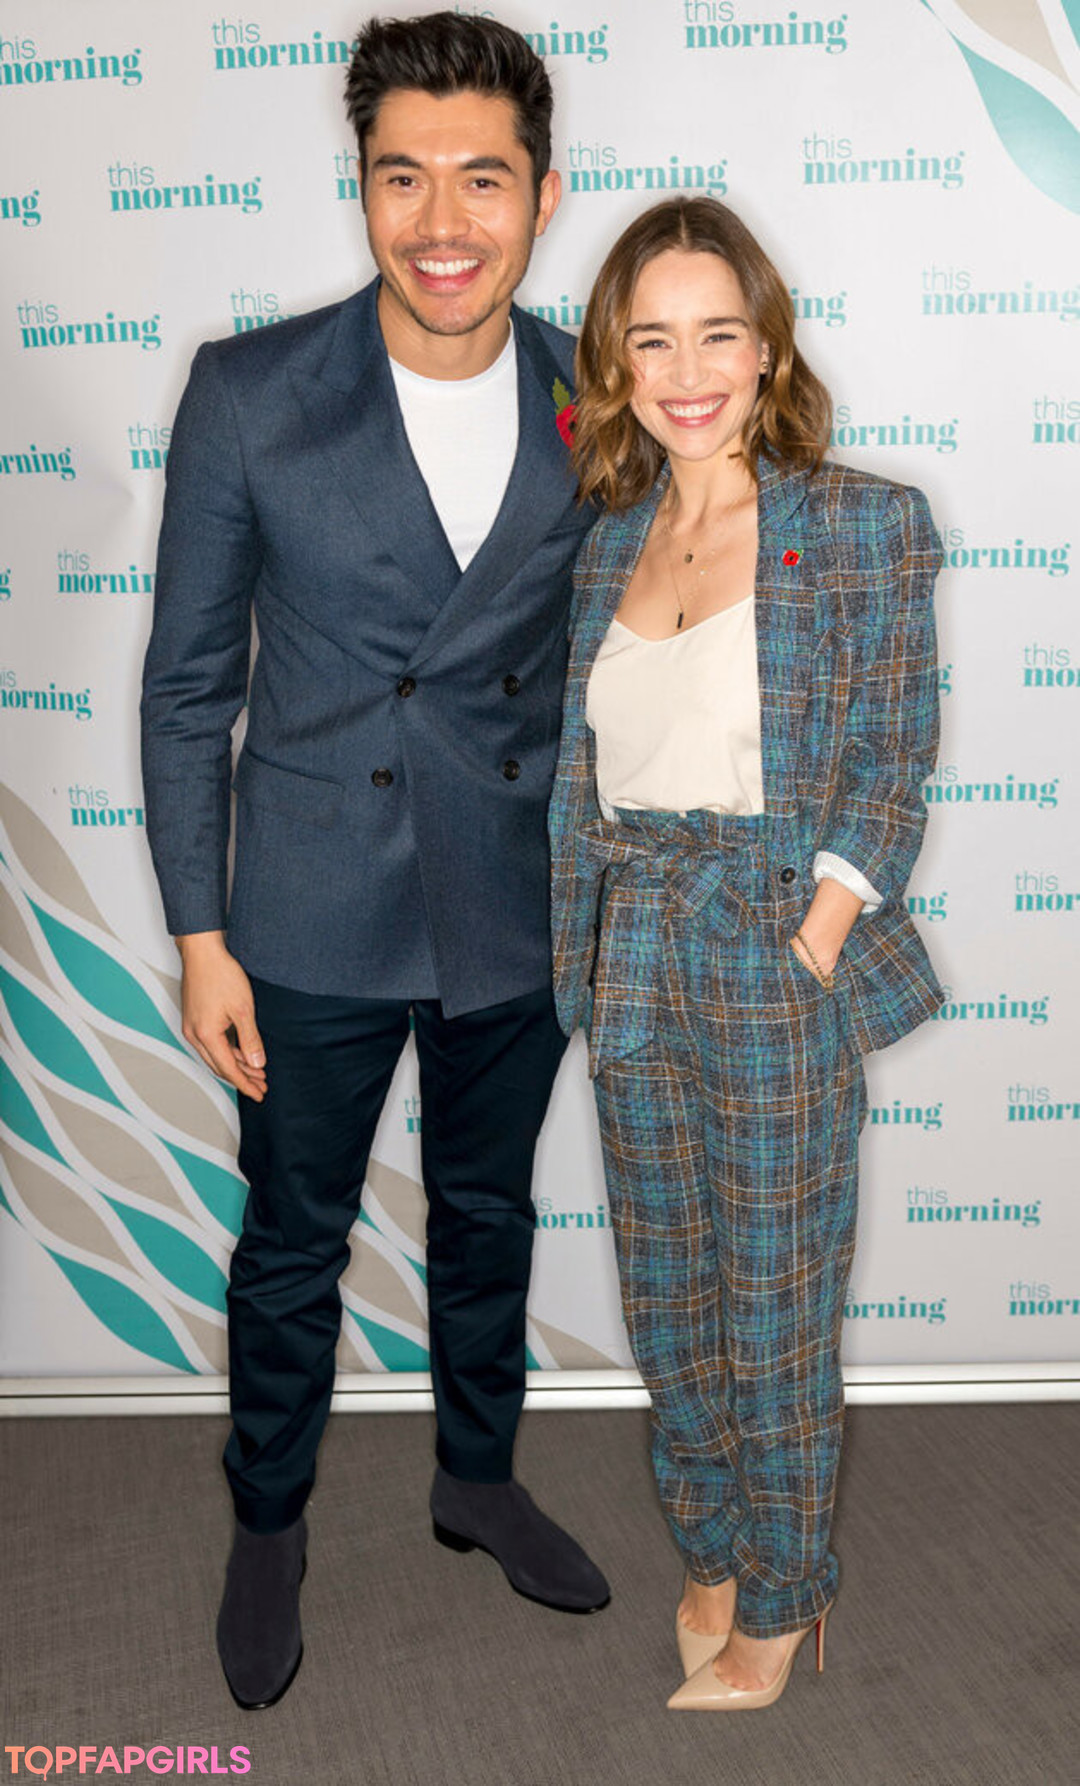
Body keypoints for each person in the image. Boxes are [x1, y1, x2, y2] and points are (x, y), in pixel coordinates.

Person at [141, 11, 609, 1712]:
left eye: (481, 177)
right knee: (292, 1241)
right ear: (360, 186)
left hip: (513, 901)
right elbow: (190, 686)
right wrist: (201, 933)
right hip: (309, 907)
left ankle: (475, 1477)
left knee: (489, 1214)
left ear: (543, 193)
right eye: (402, 175)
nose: (441, 219)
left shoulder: (603, 392)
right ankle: (268, 1521)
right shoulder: (249, 390)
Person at [549, 196, 942, 1711]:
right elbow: (585, 781)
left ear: (767, 346)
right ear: (617, 362)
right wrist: (587, 967)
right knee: (667, 1294)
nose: (688, 371)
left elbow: (891, 759)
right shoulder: (608, 541)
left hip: (769, 943)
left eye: (718, 333)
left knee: (775, 1300)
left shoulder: (857, 522)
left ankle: (786, 1592)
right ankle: (710, 1547)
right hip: (637, 948)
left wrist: (815, 941)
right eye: (653, 341)